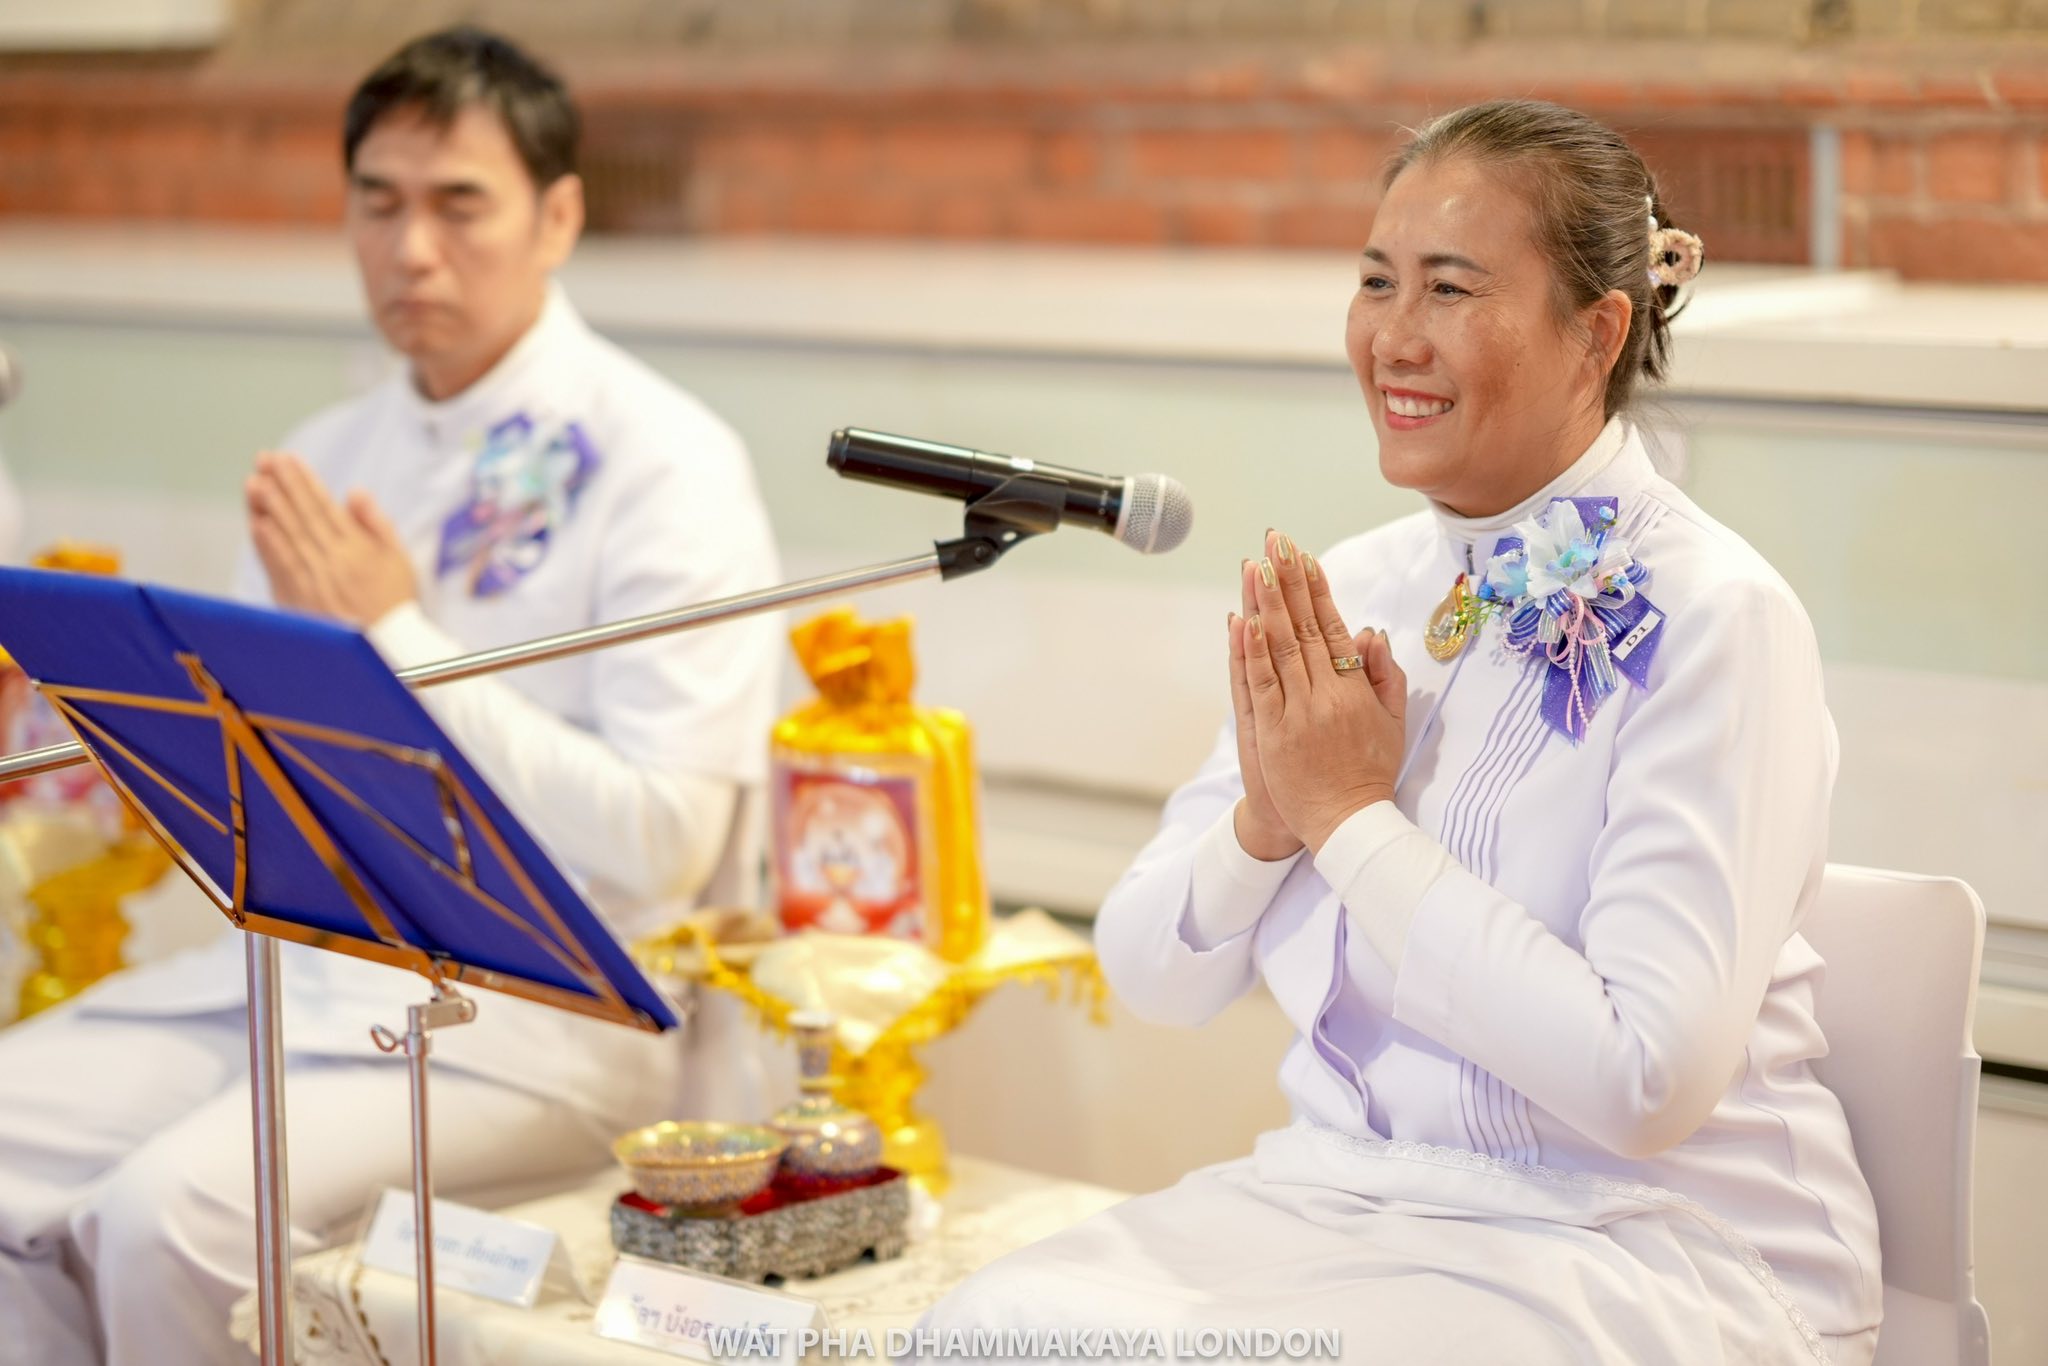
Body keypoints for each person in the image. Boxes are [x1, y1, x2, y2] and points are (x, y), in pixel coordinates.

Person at [921, 100, 1881, 1366]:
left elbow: (1641, 1085)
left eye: (1450, 288)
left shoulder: (1715, 617)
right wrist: (1269, 819)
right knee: (989, 1327)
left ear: (1596, 333)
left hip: (1639, 1239)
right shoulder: (1356, 587)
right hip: (1350, 1195)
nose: (1392, 338)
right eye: (1376, 281)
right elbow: (1150, 974)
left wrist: (1348, 820)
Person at [0, 27, 780, 1366]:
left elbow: (663, 838)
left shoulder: (666, 462)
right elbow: (248, 791)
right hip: (301, 974)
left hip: (550, 1018)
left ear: (557, 217)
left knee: (167, 1217)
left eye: (459, 203)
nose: (412, 249)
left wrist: (395, 634)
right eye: (379, 201)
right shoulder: (328, 456)